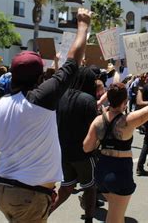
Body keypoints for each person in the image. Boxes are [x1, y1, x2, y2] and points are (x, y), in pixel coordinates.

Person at [0, 8, 91, 222]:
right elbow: (73, 62)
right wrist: (83, 25)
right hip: (30, 195)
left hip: (4, 191)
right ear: (40, 76)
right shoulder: (41, 99)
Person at [83, 69, 148, 223]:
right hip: (120, 172)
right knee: (115, 218)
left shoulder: (98, 120)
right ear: (125, 101)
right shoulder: (129, 120)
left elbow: (86, 147)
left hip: (101, 171)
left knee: (114, 214)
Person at [51, 66, 98, 222]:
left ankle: (44, 213)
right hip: (83, 154)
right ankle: (89, 220)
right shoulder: (88, 100)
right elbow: (93, 130)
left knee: (66, 188)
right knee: (90, 188)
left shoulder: (62, 96)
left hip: (64, 152)